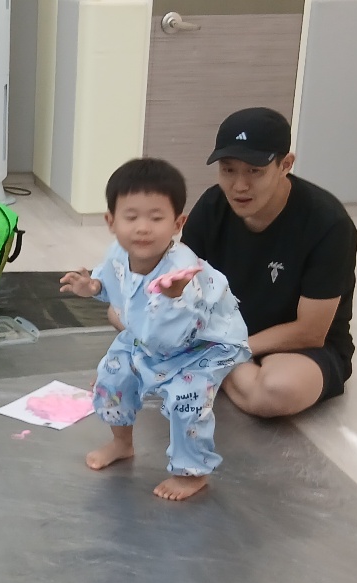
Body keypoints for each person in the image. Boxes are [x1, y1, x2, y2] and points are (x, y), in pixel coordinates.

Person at [60, 158, 251, 501]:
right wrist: (92, 287)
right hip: (149, 336)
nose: (143, 228)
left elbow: (180, 329)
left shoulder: (182, 271)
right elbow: (111, 279)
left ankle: (192, 472)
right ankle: (122, 443)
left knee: (186, 400)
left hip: (203, 345)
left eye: (156, 218)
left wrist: (174, 297)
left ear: (178, 223)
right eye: (131, 217)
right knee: (112, 376)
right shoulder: (119, 253)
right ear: (111, 221)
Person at [179, 107, 357, 418]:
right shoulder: (212, 205)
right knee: (122, 311)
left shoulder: (327, 224)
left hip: (296, 346)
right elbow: (182, 280)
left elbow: (311, 331)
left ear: (285, 165)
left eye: (254, 171)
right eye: (228, 170)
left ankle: (208, 362)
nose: (239, 186)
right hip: (223, 331)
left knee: (277, 390)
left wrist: (228, 346)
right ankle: (220, 364)